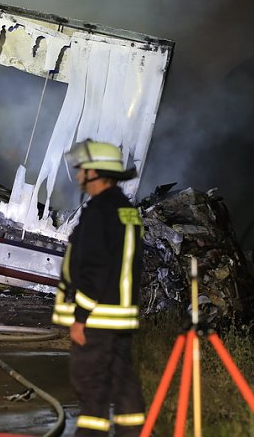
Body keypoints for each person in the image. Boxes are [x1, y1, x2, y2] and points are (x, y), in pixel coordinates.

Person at [52, 139, 146, 436]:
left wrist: (80, 317)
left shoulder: (99, 211)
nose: (79, 175)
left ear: (96, 173)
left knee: (90, 382)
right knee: (122, 380)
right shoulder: (126, 211)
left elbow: (95, 268)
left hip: (97, 318)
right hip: (120, 316)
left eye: (82, 169)